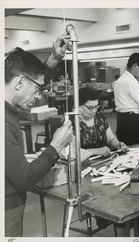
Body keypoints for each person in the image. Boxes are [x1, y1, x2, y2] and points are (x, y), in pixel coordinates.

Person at [5, 36, 74, 237]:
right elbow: (24, 179)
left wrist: (54, 58)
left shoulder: (8, 107)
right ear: (19, 82)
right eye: (37, 90)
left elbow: (34, 78)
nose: (38, 97)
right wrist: (55, 147)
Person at [69, 87, 128, 161]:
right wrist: (97, 151)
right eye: (90, 108)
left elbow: (110, 139)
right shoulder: (71, 123)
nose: (94, 111)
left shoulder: (99, 118)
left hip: (104, 161)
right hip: (82, 164)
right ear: (78, 106)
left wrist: (118, 145)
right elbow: (73, 152)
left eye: (96, 107)